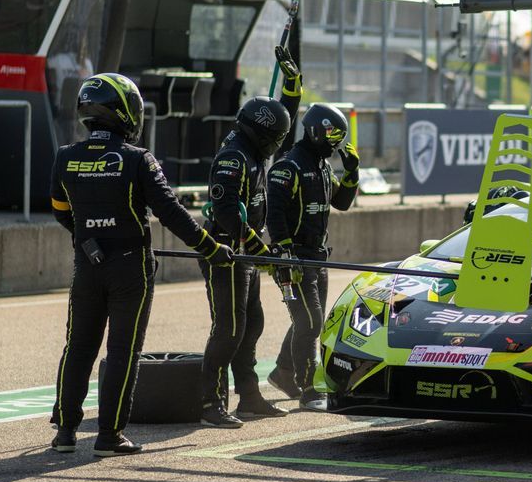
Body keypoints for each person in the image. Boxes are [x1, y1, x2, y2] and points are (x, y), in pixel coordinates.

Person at [49, 73, 233, 456]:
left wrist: (88, 236)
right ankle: (109, 435)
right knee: (122, 352)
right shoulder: (138, 160)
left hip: (87, 264)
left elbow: (61, 212)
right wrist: (210, 247)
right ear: (124, 111)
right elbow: (171, 212)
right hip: (130, 268)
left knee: (78, 347)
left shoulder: (65, 156)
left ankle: (65, 432)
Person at [199, 55, 298, 428]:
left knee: (251, 323)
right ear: (261, 134)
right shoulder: (234, 157)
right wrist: (259, 249)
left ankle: (249, 397)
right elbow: (225, 211)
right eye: (274, 139)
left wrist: (292, 88)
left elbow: (280, 118)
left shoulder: (253, 146)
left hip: (246, 253)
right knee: (228, 328)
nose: (278, 145)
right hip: (225, 251)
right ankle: (209, 402)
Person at [265, 96, 360, 411]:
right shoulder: (289, 166)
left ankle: (283, 372)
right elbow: (274, 212)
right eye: (334, 137)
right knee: (310, 321)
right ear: (319, 132)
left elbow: (341, 202)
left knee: (306, 319)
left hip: (318, 257)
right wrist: (284, 253)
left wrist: (352, 174)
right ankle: (310, 390)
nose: (337, 145)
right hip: (294, 260)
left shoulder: (321, 167)